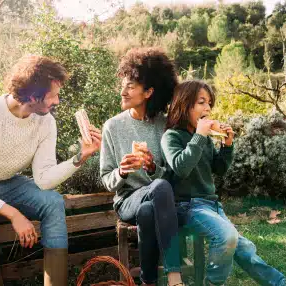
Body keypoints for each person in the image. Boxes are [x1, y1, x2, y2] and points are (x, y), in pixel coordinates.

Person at [0, 55, 101, 286]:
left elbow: (44, 179)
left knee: (53, 202)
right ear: (34, 95)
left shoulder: (45, 122)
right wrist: (14, 215)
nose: (57, 101)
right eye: (53, 95)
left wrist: (80, 157)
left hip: (8, 182)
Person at [161, 80, 286, 286]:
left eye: (209, 103)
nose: (208, 108)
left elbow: (218, 168)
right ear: (184, 105)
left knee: (244, 248)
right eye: (201, 102)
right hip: (187, 206)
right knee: (227, 237)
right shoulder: (172, 136)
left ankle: (279, 283)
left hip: (212, 205)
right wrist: (200, 136)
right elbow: (181, 167)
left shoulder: (204, 138)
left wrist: (227, 146)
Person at [100, 47, 184, 286]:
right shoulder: (112, 127)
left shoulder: (164, 126)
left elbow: (172, 175)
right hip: (127, 200)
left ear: (149, 92)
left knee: (148, 211)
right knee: (157, 188)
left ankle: (148, 282)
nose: (123, 91)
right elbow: (106, 178)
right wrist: (122, 171)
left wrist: (151, 167)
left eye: (131, 86)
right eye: (123, 84)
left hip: (158, 201)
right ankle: (175, 276)